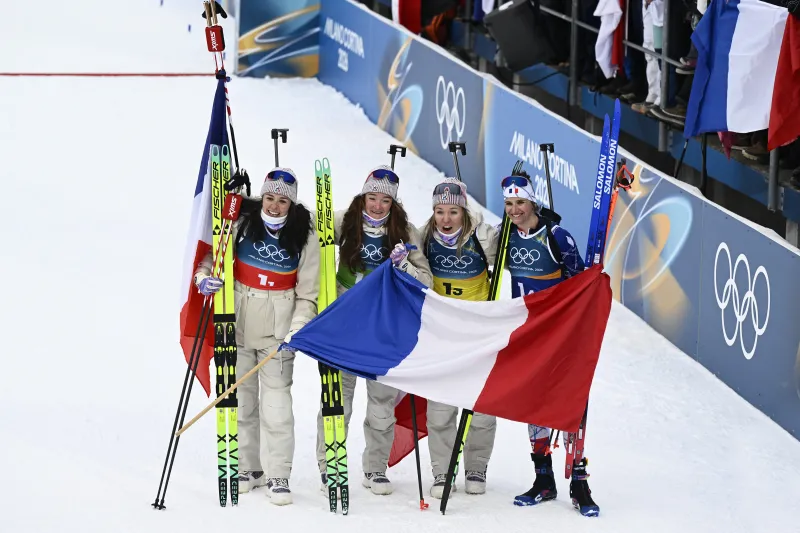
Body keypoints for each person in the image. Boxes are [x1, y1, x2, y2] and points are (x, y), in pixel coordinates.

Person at [194, 168, 319, 506]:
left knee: (276, 405)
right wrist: (204, 278)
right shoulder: (240, 222)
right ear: (262, 197)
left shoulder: (304, 235)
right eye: (270, 198)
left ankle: (279, 474)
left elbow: (309, 294)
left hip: (277, 331)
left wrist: (298, 326)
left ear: (291, 205)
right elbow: (212, 259)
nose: (275, 207)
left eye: (282, 201)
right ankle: (250, 468)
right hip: (236, 323)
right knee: (243, 401)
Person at [315, 165, 432, 496]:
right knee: (338, 399)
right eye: (372, 197)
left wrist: (404, 264)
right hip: (347, 323)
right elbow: (300, 222)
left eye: (385, 200)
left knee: (381, 403)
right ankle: (330, 466)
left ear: (393, 204)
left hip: (383, 326)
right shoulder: (344, 221)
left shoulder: (406, 232)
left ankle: (375, 469)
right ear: (362, 196)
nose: (377, 206)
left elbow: (426, 281)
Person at [499, 171, 600, 517]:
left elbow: (580, 286)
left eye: (520, 203)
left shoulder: (558, 237)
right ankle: (544, 479)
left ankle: (579, 483)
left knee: (572, 401)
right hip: (527, 334)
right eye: (509, 204)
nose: (514, 210)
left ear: (533, 202)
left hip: (560, 334)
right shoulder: (504, 237)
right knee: (534, 402)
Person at [418, 178, 499, 498]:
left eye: (453, 211)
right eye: (440, 211)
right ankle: (443, 471)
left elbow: (517, 251)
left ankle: (476, 466)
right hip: (441, 333)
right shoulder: (424, 237)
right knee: (439, 408)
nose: (446, 219)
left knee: (481, 407)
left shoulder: (484, 237)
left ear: (464, 211)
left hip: (478, 334)